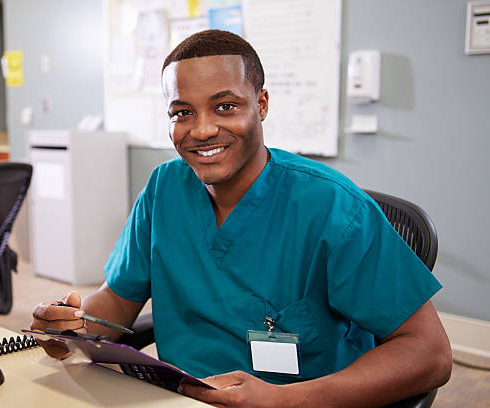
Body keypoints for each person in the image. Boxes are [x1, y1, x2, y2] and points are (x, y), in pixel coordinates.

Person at [32, 30, 451, 407]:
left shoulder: (334, 208)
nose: (202, 130)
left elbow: (429, 353)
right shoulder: (164, 189)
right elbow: (118, 300)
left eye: (226, 106)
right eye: (182, 113)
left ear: (262, 104)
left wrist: (284, 401)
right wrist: (73, 325)